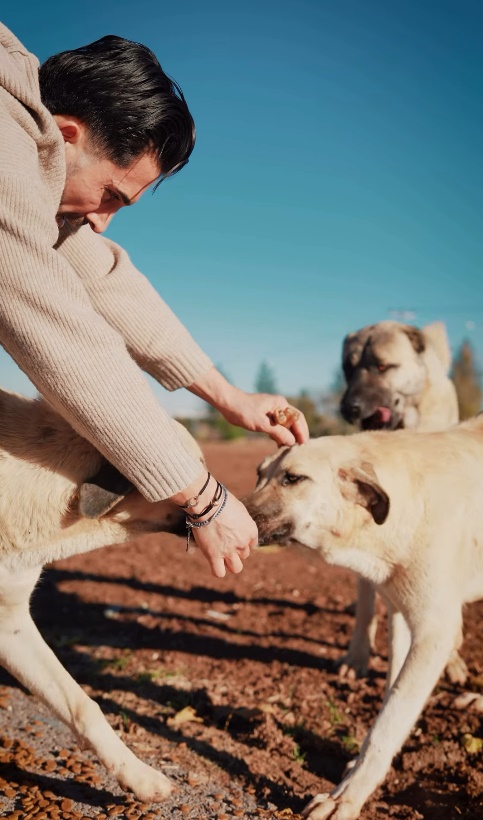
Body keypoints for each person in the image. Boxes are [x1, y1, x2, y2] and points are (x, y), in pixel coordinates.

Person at [0, 22, 309, 578]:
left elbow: (106, 282)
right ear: (66, 135)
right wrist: (201, 498)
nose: (100, 219)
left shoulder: (39, 174)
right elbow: (49, 322)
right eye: (111, 194)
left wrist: (228, 396)